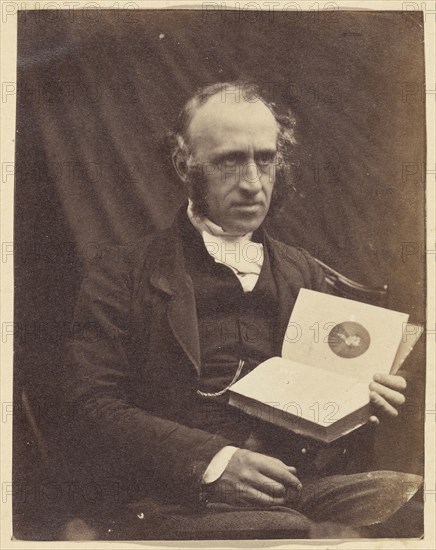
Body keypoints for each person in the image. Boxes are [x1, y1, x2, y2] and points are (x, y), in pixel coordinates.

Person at [64, 81, 423, 539]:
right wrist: (212, 462)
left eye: (265, 159)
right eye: (230, 161)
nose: (253, 183)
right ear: (183, 166)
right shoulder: (121, 273)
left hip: (294, 484)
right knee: (289, 532)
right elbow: (89, 407)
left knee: (415, 504)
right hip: (173, 493)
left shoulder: (303, 271)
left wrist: (358, 400)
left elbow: (324, 420)